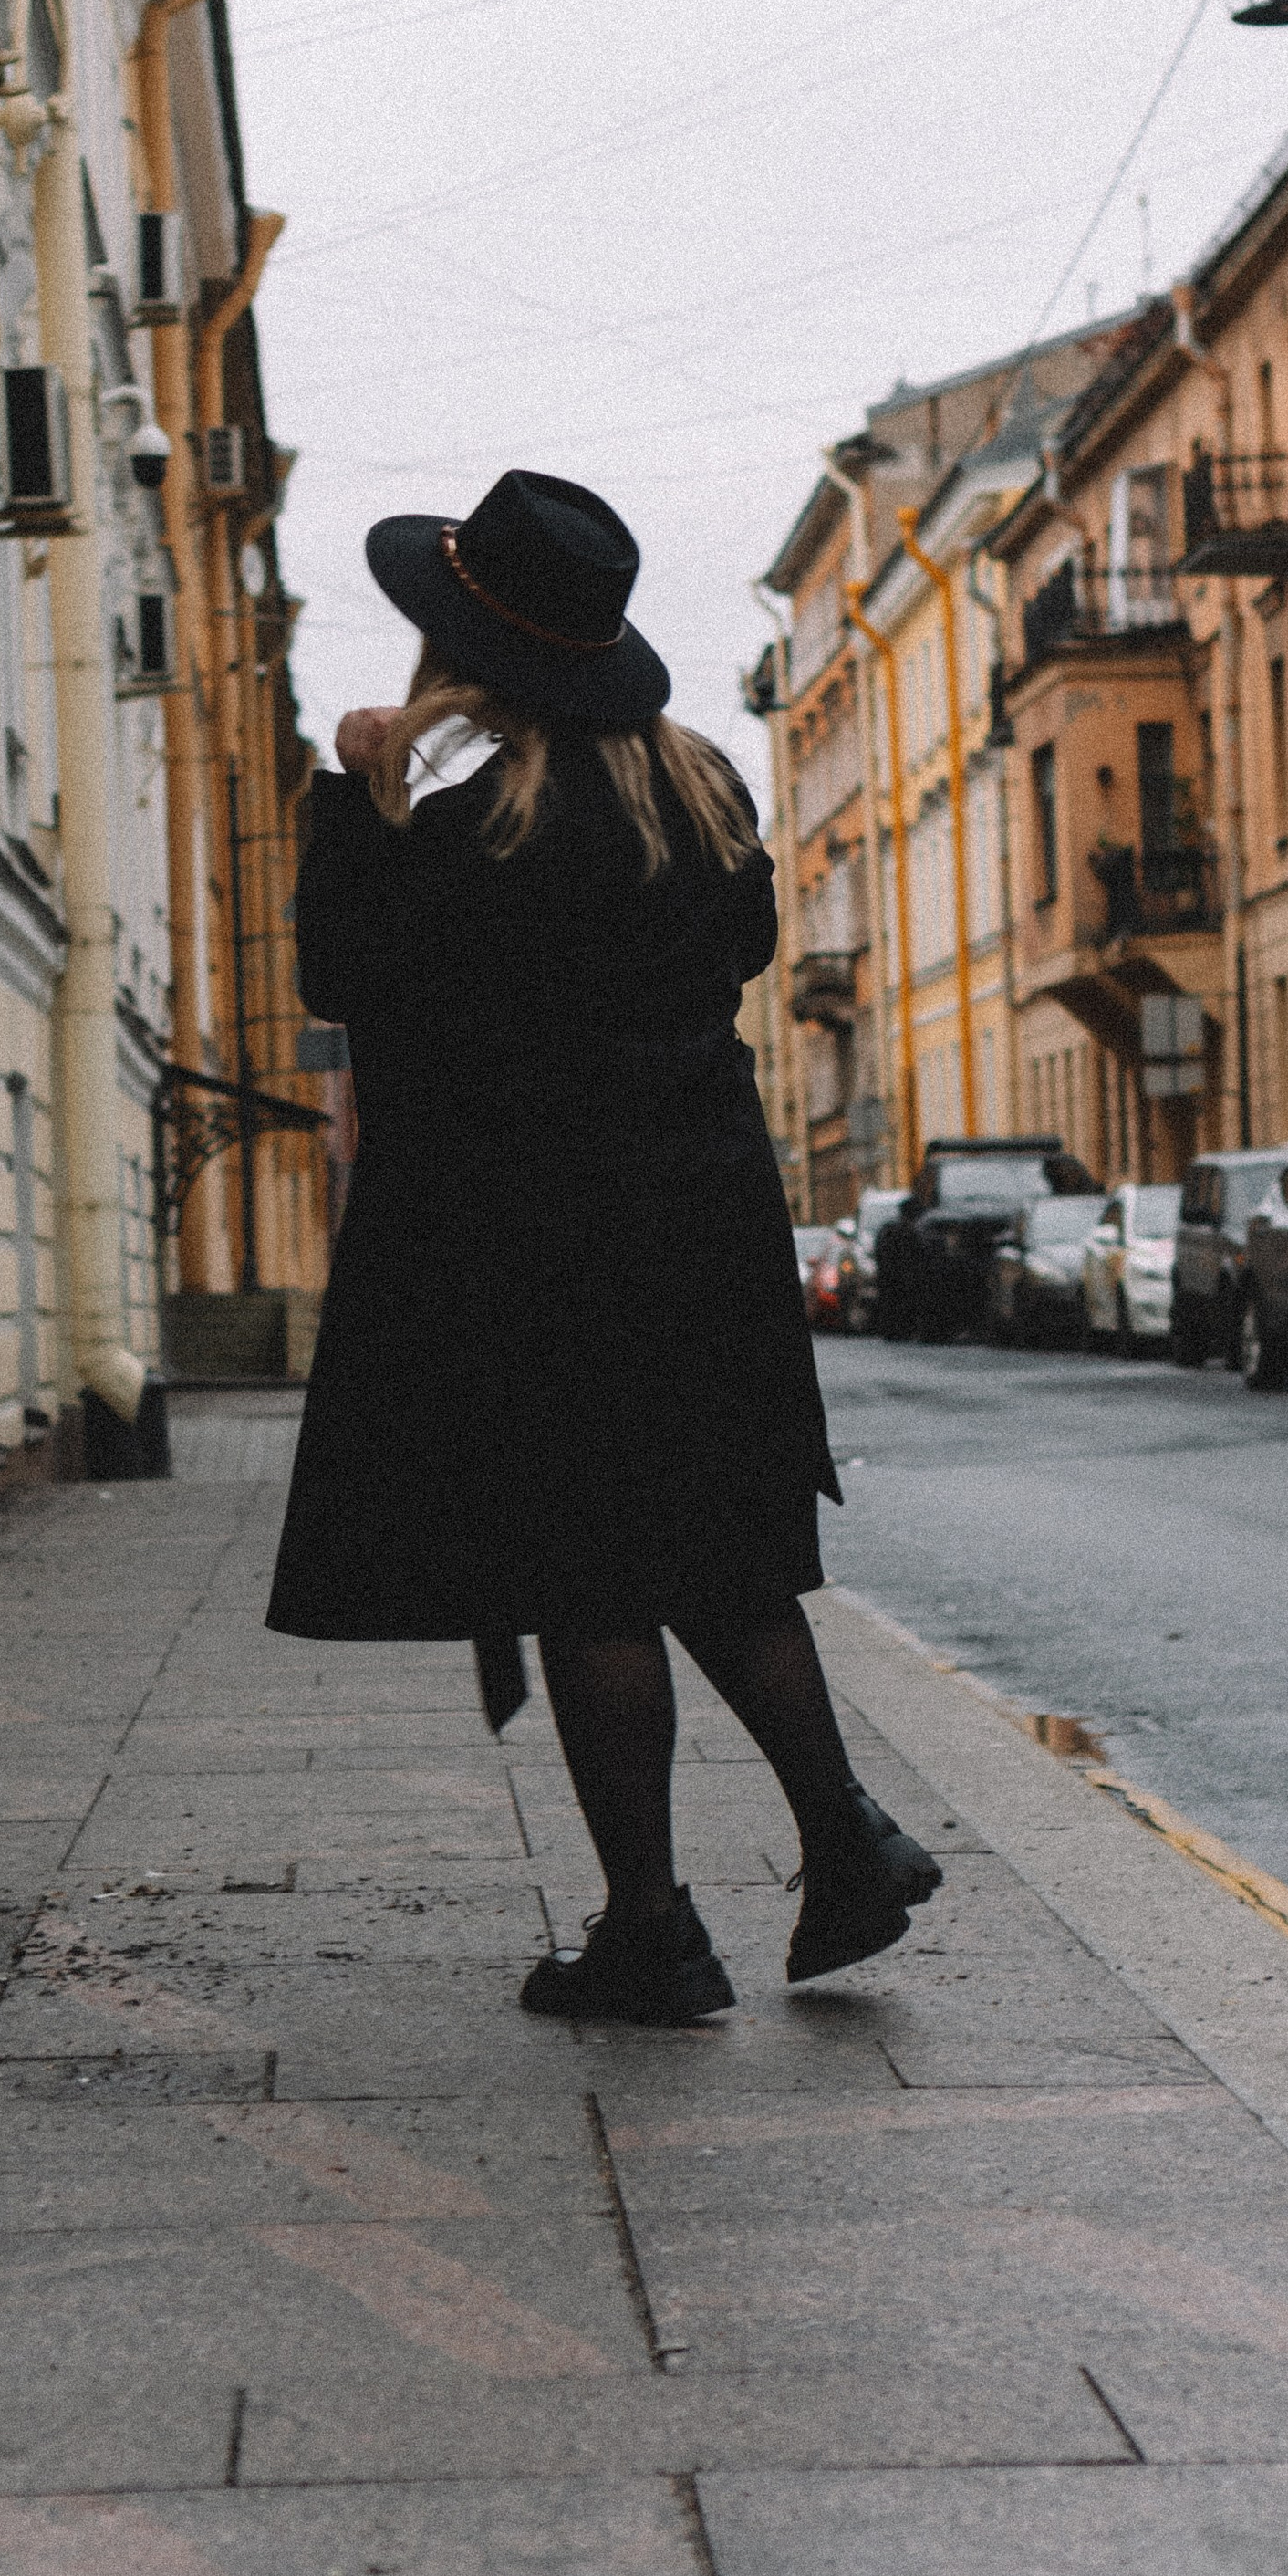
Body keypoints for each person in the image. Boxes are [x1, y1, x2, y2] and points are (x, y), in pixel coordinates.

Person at [265, 468, 940, 2024]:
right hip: (705, 1235)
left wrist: (349, 790)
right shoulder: (700, 793)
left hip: (534, 1245)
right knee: (719, 1551)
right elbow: (745, 947)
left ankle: (654, 1927)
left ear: (463, 647)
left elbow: (343, 977)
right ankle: (843, 1841)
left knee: (588, 1575)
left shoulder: (448, 812)